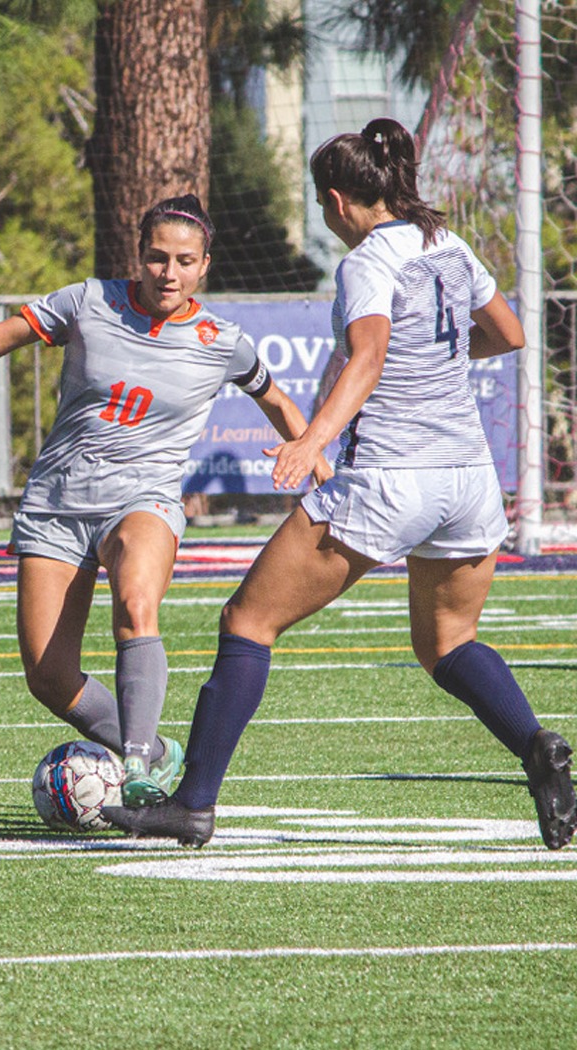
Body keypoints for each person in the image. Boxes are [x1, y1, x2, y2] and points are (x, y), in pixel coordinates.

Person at [103, 119, 577, 850]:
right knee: (450, 642)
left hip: (391, 477)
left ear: (335, 200)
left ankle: (192, 804)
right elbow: (509, 334)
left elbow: (370, 355)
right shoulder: (448, 245)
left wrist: (310, 441)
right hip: (471, 481)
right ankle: (537, 747)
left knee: (247, 623)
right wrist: (441, 358)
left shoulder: (366, 261)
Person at [0, 193, 314, 809]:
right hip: (57, 503)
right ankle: (151, 746)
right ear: (139, 255)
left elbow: (279, 403)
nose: (168, 273)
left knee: (135, 602)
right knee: (47, 677)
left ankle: (134, 769)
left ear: (205, 264)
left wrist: (314, 453)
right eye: (156, 258)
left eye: (183, 260)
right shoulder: (86, 301)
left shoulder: (221, 341)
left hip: (144, 499)